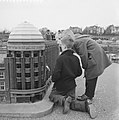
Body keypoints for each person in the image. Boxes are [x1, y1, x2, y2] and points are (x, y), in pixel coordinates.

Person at [49, 30, 82, 114]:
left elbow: (55, 76)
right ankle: (79, 103)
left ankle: (63, 100)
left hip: (60, 87)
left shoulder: (61, 58)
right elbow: (79, 73)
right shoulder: (76, 58)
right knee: (71, 98)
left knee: (52, 96)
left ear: (63, 46)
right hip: (71, 87)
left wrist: (53, 78)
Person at [72, 33, 112, 101]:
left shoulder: (78, 42)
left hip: (94, 57)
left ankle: (88, 95)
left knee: (91, 76)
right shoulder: (81, 40)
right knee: (92, 76)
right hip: (96, 55)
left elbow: (83, 55)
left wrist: (84, 66)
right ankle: (89, 95)